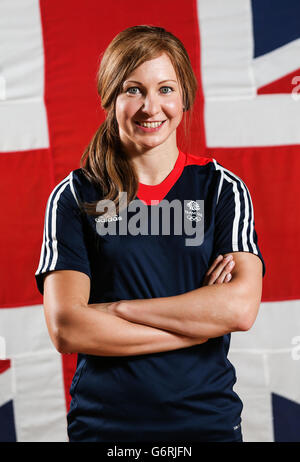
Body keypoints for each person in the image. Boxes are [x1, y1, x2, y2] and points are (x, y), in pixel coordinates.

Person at [35, 25, 265, 443]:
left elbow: (239, 310)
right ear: (111, 98)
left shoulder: (220, 189)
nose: (150, 107)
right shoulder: (74, 196)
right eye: (133, 90)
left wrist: (116, 309)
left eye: (165, 89)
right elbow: (68, 328)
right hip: (105, 428)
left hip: (205, 423)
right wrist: (199, 321)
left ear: (185, 97)